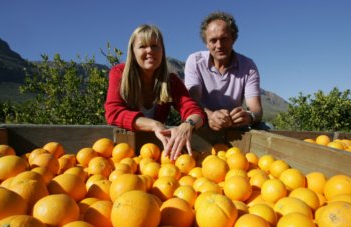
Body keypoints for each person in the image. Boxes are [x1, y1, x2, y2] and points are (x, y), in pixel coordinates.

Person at [105, 24, 206, 160]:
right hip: (124, 153)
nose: (150, 51)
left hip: (157, 154)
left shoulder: (171, 81)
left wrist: (188, 125)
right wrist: (154, 125)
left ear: (162, 51)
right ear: (133, 52)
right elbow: (113, 112)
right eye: (142, 46)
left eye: (154, 46)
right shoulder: (119, 74)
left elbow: (195, 112)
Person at [185, 11, 264, 131]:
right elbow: (193, 100)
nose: (219, 45)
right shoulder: (195, 61)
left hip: (234, 126)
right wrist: (210, 116)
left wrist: (249, 116)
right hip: (202, 121)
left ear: (233, 39)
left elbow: (256, 109)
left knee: (266, 127)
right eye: (213, 40)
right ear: (206, 43)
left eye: (224, 39)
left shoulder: (248, 67)